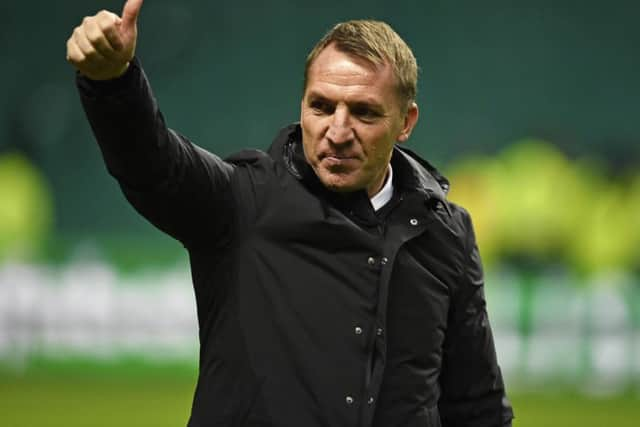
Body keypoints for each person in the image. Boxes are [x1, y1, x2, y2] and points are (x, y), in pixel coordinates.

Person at [67, 1, 514, 426]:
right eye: (321, 106)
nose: (337, 131)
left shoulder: (445, 232)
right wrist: (113, 83)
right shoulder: (244, 201)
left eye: (363, 112)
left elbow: (476, 405)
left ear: (406, 121)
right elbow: (154, 165)